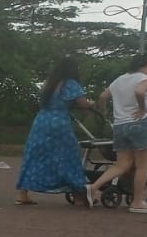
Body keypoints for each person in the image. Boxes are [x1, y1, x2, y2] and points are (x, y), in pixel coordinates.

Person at [88, 50, 147, 213]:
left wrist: (104, 111)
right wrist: (142, 108)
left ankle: (93, 187)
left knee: (121, 164)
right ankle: (137, 201)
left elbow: (102, 97)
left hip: (120, 125)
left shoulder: (120, 79)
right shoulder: (145, 78)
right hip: (141, 124)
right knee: (142, 166)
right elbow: (139, 92)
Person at [14, 57, 93, 206]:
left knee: (34, 154)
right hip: (59, 122)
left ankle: (22, 193)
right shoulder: (70, 84)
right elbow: (82, 103)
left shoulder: (48, 83)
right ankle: (78, 194)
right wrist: (91, 104)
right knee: (68, 156)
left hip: (41, 120)